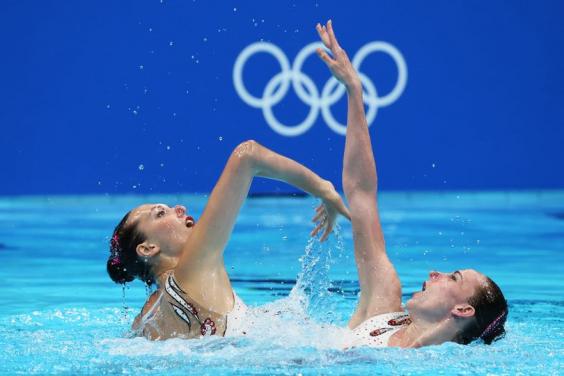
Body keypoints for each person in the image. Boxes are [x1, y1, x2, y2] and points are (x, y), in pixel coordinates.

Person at [314, 20, 508, 348]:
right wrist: (354, 91)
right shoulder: (383, 303)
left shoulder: (424, 363)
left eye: (453, 277)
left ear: (462, 309)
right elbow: (361, 193)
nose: (435, 272)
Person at [107, 140, 350, 340]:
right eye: (161, 213)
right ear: (148, 248)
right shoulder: (193, 270)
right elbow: (247, 155)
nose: (179, 208)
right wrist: (324, 189)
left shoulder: (146, 318)